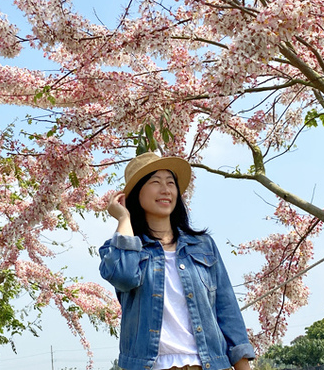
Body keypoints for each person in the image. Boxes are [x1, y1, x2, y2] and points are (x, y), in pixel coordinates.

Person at [99, 152, 255, 370]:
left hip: (209, 365)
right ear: (136, 194)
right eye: (155, 182)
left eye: (170, 183)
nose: (166, 190)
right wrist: (124, 219)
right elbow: (124, 277)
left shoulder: (203, 245)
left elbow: (227, 310)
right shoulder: (121, 249)